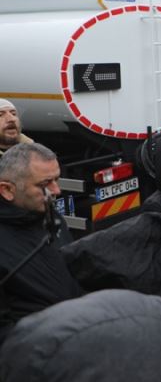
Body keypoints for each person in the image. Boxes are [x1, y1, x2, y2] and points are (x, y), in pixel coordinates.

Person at [0, 143, 83, 343]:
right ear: (7, 190)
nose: (57, 190)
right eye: (45, 184)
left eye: (57, 179)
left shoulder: (50, 217)